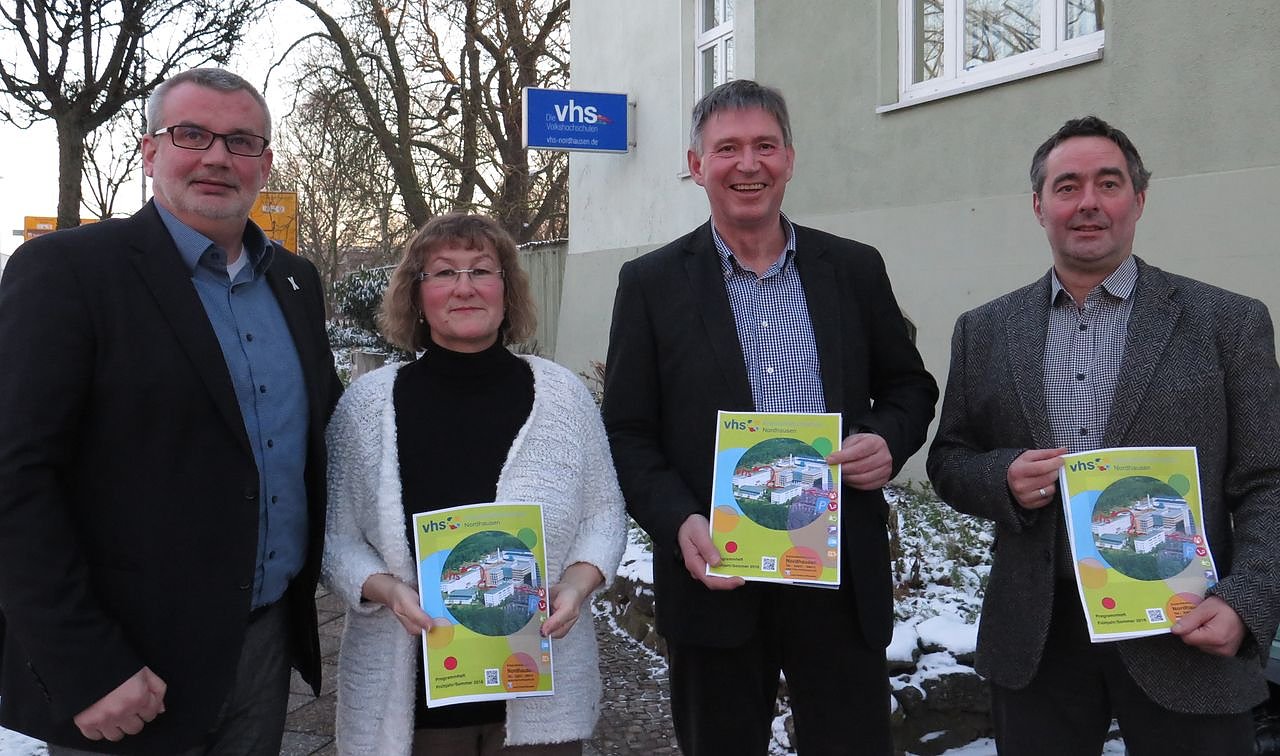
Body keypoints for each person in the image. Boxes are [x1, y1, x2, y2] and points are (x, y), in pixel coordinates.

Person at [0, 68, 342, 755]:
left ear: (264, 163)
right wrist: (85, 664)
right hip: (128, 669)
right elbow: (15, 478)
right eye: (192, 134)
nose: (218, 156)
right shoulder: (68, 272)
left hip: (264, 644)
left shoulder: (296, 282)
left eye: (241, 141)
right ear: (150, 151)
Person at [601, 79, 938, 755]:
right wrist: (678, 520)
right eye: (727, 148)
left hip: (837, 573)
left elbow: (910, 386)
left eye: (765, 145)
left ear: (789, 158)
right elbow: (628, 431)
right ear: (697, 165)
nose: (748, 164)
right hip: (715, 573)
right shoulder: (651, 284)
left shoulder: (853, 269)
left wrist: (885, 439)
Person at [927, 115, 1280, 754]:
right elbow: (951, 458)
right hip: (1039, 631)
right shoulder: (984, 330)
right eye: (1067, 186)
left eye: (1108, 184)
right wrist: (1002, 477)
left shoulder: (1227, 323)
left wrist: (1246, 599)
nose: (1087, 202)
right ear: (1039, 206)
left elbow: (1268, 480)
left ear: (1138, 199)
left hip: (1184, 622)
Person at [323, 212, 627, 756]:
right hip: (414, 702)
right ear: (417, 295)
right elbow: (334, 538)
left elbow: (604, 516)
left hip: (541, 695)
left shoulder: (564, 397)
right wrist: (388, 591)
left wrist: (577, 586)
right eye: (444, 272)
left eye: (482, 270)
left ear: (506, 291)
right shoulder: (366, 406)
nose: (464, 287)